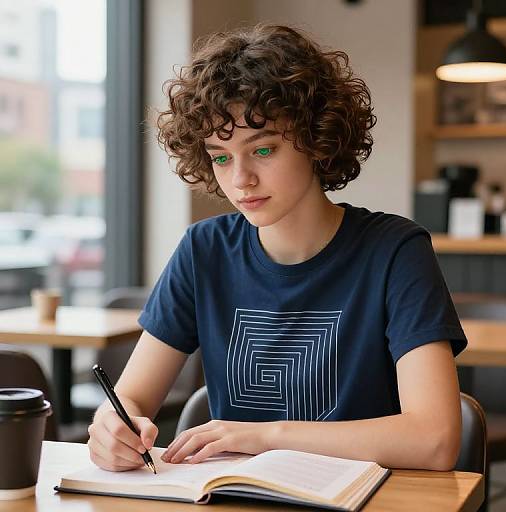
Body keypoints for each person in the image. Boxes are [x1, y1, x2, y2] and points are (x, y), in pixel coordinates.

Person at [87, 23, 467, 473]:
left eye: (263, 150)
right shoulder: (203, 250)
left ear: (316, 140)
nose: (240, 178)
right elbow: (130, 397)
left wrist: (265, 436)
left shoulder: (395, 251)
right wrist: (111, 427)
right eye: (221, 157)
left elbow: (435, 439)